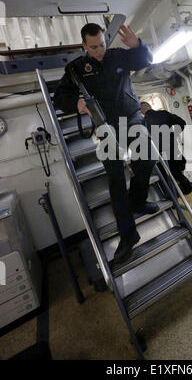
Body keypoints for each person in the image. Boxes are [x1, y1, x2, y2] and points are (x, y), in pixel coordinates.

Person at [53, 23, 159, 263]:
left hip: (131, 117)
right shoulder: (76, 69)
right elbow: (61, 97)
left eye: (101, 44)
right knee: (116, 177)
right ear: (84, 46)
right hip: (105, 126)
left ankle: (139, 202)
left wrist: (138, 46)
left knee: (147, 159)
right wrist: (77, 105)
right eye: (93, 47)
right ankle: (128, 235)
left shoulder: (119, 56)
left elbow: (146, 61)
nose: (99, 50)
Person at [140, 102, 192, 195]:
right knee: (178, 171)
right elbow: (182, 122)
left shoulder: (143, 123)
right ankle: (186, 189)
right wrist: (173, 134)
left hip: (160, 155)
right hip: (173, 149)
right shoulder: (164, 114)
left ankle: (173, 198)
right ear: (150, 107)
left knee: (166, 176)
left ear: (142, 111)